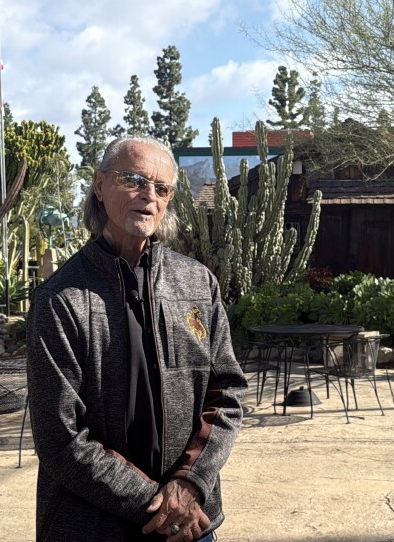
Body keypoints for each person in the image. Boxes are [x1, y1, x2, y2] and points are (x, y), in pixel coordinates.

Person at [26, 136, 247, 541]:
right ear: (99, 185)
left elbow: (227, 394)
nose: (149, 196)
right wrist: (161, 504)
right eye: (134, 180)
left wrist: (189, 483)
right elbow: (60, 438)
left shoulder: (198, 283)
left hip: (191, 523)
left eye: (162, 188)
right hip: (93, 526)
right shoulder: (61, 298)